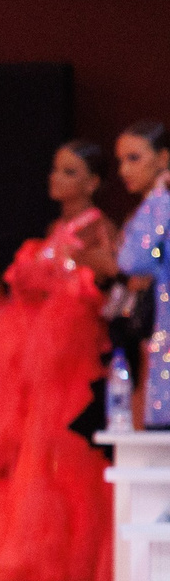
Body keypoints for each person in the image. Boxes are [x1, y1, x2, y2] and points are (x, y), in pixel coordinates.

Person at [0, 141, 117, 581]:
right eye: (55, 168)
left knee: (74, 468)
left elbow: (103, 281)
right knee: (44, 466)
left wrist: (65, 277)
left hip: (75, 363)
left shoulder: (95, 228)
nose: (56, 178)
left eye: (69, 171)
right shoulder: (58, 227)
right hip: (45, 367)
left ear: (91, 182)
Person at [115, 122, 170, 426]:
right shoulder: (154, 205)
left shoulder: (160, 204)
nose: (124, 170)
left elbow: (132, 260)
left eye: (134, 158)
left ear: (163, 158)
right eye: (121, 160)